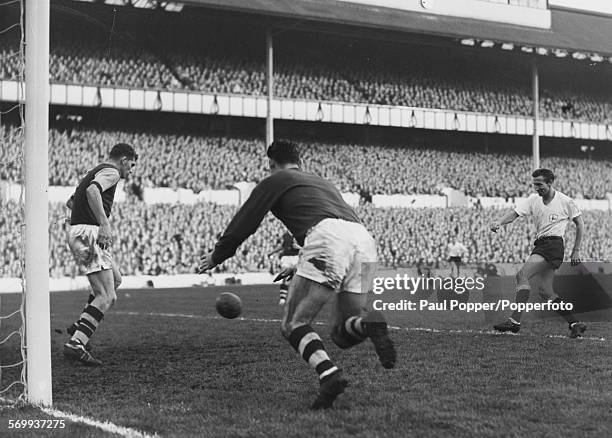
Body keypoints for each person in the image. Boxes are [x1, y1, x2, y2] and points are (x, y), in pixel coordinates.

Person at [198, 140, 396, 409]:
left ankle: (329, 376)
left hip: (328, 239)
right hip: (364, 241)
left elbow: (246, 220)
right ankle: (368, 325)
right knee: (342, 331)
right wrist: (303, 262)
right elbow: (339, 231)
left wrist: (217, 255)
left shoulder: (277, 179)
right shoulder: (323, 182)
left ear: (272, 165)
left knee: (293, 323)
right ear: (299, 161)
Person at [64, 143, 138, 365]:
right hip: (89, 233)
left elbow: (71, 201)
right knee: (107, 296)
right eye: (132, 165)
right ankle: (77, 343)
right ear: (124, 160)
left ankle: (81, 325)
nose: (131, 170)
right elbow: (91, 191)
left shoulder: (94, 170)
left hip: (81, 232)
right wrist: (103, 224)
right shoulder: (112, 172)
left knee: (115, 280)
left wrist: (79, 216)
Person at [490, 168, 586, 338]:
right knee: (546, 291)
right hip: (543, 245)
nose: (536, 188)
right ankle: (574, 323)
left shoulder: (565, 201)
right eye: (534, 184)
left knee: (522, 275)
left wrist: (576, 250)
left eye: (540, 184)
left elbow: (580, 224)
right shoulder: (534, 199)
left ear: (550, 183)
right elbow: (514, 214)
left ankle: (514, 322)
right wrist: (499, 222)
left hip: (553, 245)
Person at [268, 231, 301, 305]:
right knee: (284, 277)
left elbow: (303, 246)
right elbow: (282, 246)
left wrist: (299, 247)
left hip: (296, 257)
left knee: (295, 279)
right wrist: (272, 252)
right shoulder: (285, 235)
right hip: (286, 257)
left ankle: (294, 298)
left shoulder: (299, 232)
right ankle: (283, 299)